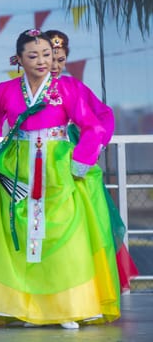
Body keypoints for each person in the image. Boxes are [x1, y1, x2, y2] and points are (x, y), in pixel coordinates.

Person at [0, 29, 120, 329]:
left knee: (66, 235)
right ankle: (24, 308)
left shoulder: (68, 88)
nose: (42, 61)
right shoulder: (5, 91)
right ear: (19, 59)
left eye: (47, 54)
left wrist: (81, 161)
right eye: (33, 56)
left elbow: (92, 126)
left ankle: (68, 306)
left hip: (58, 168)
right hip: (17, 166)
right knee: (16, 238)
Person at [45, 29, 139, 293]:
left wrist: (93, 147)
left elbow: (102, 116)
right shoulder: (22, 88)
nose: (54, 65)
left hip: (71, 156)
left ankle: (84, 286)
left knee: (84, 220)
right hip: (32, 159)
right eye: (50, 58)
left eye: (60, 60)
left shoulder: (73, 87)